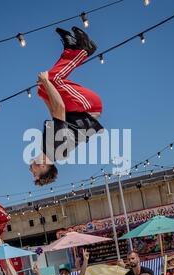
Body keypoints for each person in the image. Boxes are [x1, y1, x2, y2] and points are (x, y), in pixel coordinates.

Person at [29, 27, 104, 186]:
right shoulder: (54, 148)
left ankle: (71, 48)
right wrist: (47, 82)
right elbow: (60, 108)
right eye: (35, 174)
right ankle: (83, 51)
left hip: (77, 110)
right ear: (43, 167)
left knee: (44, 88)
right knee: (52, 79)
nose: (31, 171)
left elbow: (56, 114)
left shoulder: (49, 149)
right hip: (89, 107)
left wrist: (44, 95)